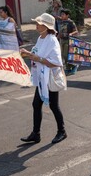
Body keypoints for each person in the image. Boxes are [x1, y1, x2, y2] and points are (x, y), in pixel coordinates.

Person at [19, 13, 67, 145]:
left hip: (50, 77)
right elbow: (37, 54)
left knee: (53, 105)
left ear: (46, 26)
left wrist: (37, 58)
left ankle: (62, 131)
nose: (36, 24)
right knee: (36, 104)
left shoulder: (52, 40)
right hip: (42, 76)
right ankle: (36, 134)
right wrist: (28, 54)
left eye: (39, 23)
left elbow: (57, 62)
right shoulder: (41, 38)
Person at [56, 9, 79, 75]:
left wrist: (71, 34)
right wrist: (56, 38)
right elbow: (60, 32)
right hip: (62, 40)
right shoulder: (61, 22)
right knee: (63, 55)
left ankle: (74, 66)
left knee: (67, 55)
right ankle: (68, 68)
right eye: (61, 14)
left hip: (68, 40)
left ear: (67, 15)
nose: (62, 16)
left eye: (63, 14)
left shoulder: (70, 22)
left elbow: (76, 31)